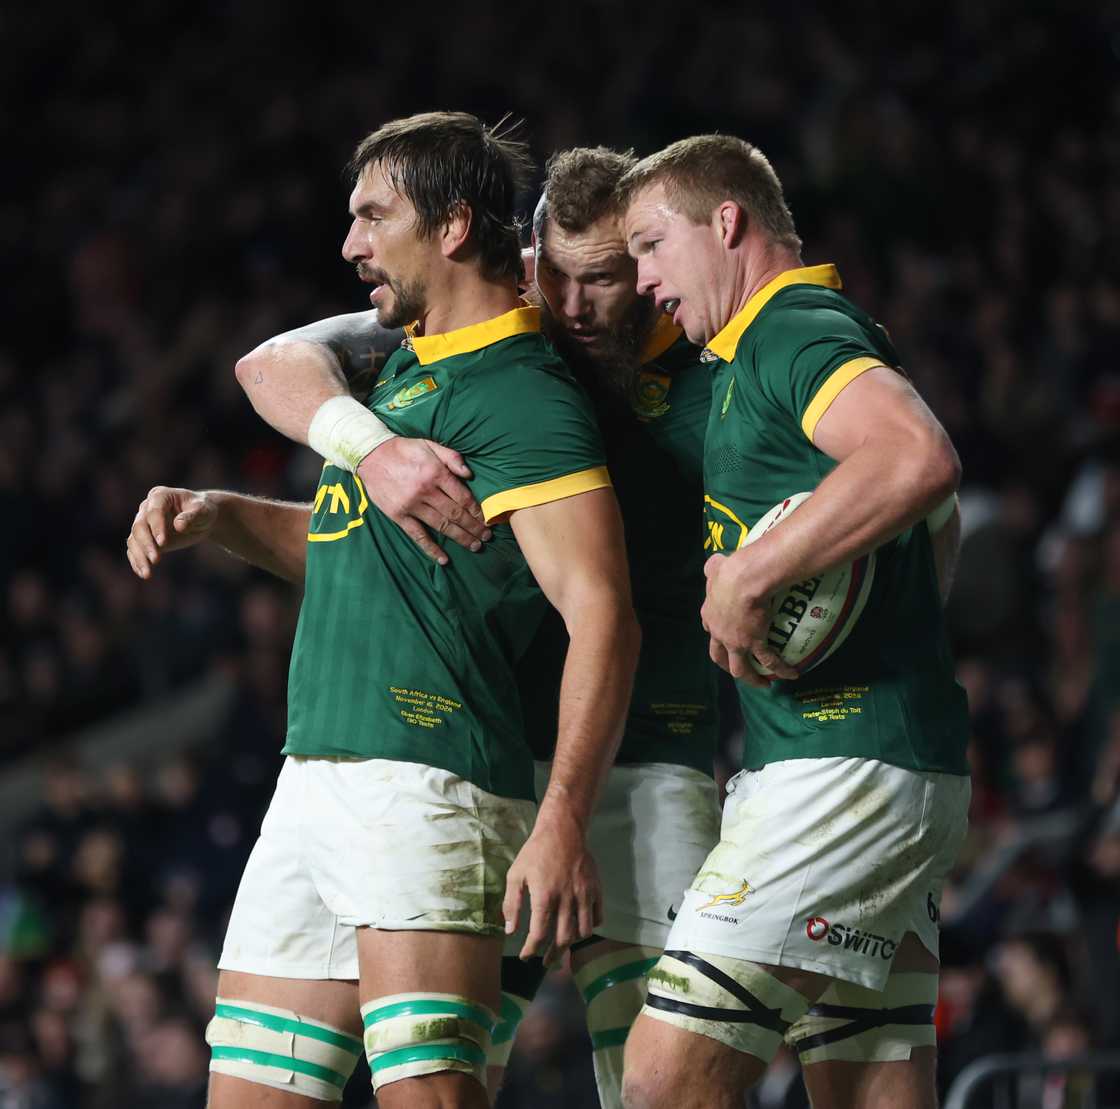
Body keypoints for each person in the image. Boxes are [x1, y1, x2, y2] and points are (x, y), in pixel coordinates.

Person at [126, 112, 640, 1109]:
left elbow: (603, 613)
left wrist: (564, 816)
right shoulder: (403, 368)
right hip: (314, 776)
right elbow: (361, 550)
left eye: (372, 215)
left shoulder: (524, 395)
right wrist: (226, 517)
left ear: (451, 228)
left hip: (429, 783)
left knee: (430, 1096)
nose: (351, 243)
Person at [234, 145, 723, 1109]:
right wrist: (364, 452)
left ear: (650, 270)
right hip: (500, 752)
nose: (576, 305)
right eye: (557, 274)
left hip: (640, 766)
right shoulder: (462, 355)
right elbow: (276, 361)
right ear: (525, 255)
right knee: (456, 1070)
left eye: (605, 279)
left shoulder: (712, 377)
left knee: (659, 1089)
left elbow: (610, 612)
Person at [617, 134, 969, 1109]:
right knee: (868, 1086)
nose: (642, 280)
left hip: (842, 764)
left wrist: (749, 577)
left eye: (650, 245)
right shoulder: (744, 359)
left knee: (663, 1075)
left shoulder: (793, 328)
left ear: (726, 221)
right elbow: (938, 528)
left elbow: (915, 458)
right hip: (880, 758)